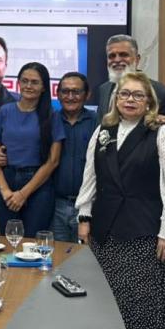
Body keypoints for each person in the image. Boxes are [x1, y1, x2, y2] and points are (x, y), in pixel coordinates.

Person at [76, 71, 165, 329]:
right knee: (108, 299)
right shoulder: (103, 130)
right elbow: (91, 176)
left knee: (142, 299)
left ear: (149, 101)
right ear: (116, 99)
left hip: (145, 228)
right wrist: (84, 216)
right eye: (125, 94)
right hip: (106, 226)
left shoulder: (163, 133)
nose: (130, 100)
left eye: (138, 95)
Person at [0, 62, 64, 238]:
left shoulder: (52, 116)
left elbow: (53, 161)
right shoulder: (5, 111)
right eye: (25, 81)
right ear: (18, 83)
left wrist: (23, 194)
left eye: (35, 82)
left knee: (33, 242)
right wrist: (5, 190)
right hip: (7, 180)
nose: (29, 86)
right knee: (9, 240)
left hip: (38, 186)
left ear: (44, 87)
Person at [96, 34, 165, 131]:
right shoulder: (104, 89)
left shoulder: (158, 90)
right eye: (111, 56)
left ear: (137, 59)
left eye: (123, 55)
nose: (117, 60)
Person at [51, 72, 97, 242]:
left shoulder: (99, 122)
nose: (70, 97)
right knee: (56, 260)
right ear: (57, 94)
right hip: (55, 206)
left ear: (87, 95)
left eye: (76, 92)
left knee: (84, 261)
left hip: (89, 207)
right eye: (65, 91)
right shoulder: (49, 121)